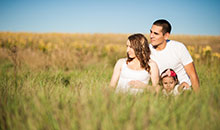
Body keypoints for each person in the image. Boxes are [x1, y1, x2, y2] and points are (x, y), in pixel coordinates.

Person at [149, 19, 200, 92]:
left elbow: (193, 75)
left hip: (183, 91)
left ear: (166, 36)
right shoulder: (147, 50)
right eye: (151, 32)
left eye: (156, 33)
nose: (151, 36)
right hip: (162, 93)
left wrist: (198, 98)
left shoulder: (179, 47)